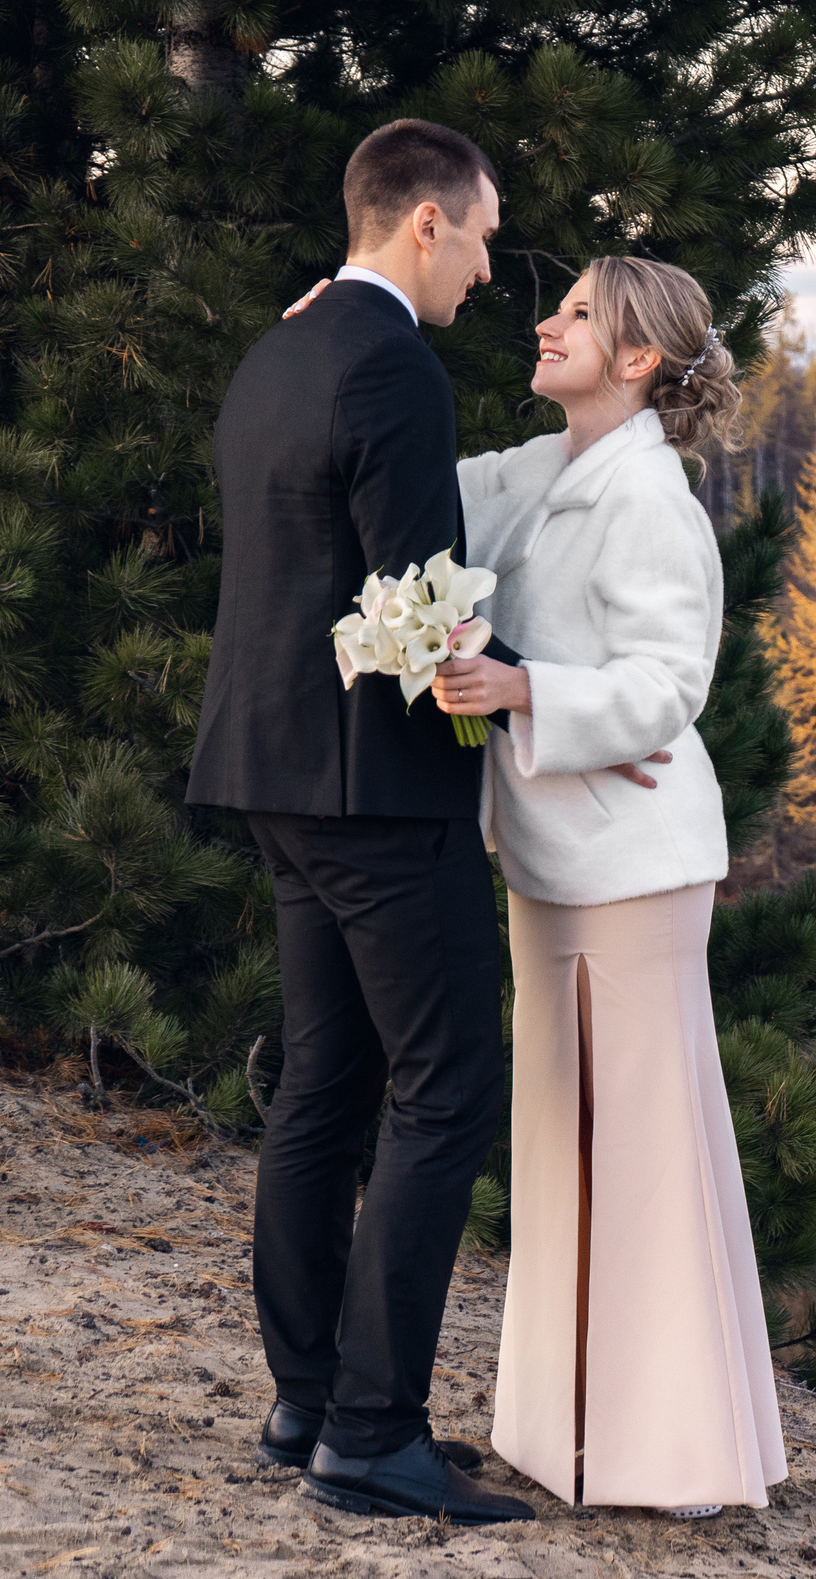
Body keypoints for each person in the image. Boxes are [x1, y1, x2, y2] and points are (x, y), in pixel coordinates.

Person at [187, 118, 537, 1525]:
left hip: (268, 768)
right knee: (446, 1085)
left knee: (327, 1082)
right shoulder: (392, 359)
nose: (492, 266)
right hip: (375, 790)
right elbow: (412, 594)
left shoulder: (282, 348)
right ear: (428, 224)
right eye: (487, 234)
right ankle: (377, 1429)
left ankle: (309, 1396)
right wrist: (512, 687)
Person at [430, 256, 788, 1519]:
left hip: (635, 872)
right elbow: (410, 494)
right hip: (553, 854)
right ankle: (563, 1437)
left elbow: (669, 684)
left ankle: (663, 1455)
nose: (547, 321)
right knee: (560, 1143)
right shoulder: (536, 471)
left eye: (578, 312)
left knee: (634, 1150)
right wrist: (333, 329)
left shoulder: (653, 498)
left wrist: (527, 688)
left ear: (638, 359)